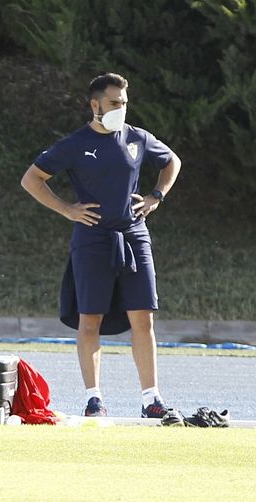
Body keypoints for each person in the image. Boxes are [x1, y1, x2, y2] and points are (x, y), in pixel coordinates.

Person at [20, 72, 183, 419]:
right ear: (95, 105)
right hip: (93, 239)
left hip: (134, 235)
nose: (120, 109)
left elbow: (172, 161)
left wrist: (156, 196)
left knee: (143, 318)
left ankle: (150, 398)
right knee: (89, 319)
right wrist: (66, 209)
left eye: (124, 103)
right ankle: (94, 398)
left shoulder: (137, 138)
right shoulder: (75, 144)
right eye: (113, 103)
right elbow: (31, 179)